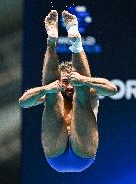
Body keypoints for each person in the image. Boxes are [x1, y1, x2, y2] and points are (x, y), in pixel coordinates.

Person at [19, 10, 118, 172]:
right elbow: (23, 102)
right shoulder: (56, 91)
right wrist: (46, 88)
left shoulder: (90, 92)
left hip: (83, 153)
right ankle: (51, 41)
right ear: (61, 81)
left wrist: (83, 80)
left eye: (72, 82)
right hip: (56, 154)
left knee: (82, 93)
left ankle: (76, 42)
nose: (70, 86)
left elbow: (112, 90)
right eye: (66, 82)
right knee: (52, 97)